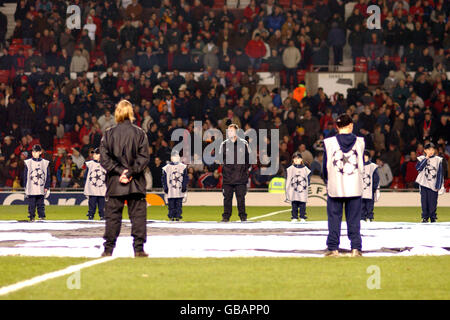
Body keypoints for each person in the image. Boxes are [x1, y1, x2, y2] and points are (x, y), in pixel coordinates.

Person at [100, 100, 150, 257]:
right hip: (135, 183)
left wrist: (120, 171)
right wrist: (130, 173)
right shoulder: (140, 133)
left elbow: (104, 159)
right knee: (138, 218)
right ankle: (139, 249)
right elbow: (144, 158)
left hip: (116, 183)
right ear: (131, 113)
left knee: (113, 218)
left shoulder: (108, 133)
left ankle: (108, 249)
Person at [322, 114, 365, 257]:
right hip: (354, 185)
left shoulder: (329, 143)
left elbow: (324, 167)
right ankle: (356, 248)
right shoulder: (360, 142)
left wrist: (328, 180)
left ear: (336, 126)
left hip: (336, 185)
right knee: (354, 220)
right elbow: (362, 164)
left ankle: (333, 248)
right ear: (351, 125)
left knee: (334, 219)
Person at [218, 124, 251, 222]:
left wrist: (243, 169)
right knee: (227, 198)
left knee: (241, 199)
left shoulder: (244, 143)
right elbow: (220, 159)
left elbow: (248, 160)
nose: (229, 132)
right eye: (228, 131)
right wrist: (225, 170)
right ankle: (226, 217)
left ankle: (243, 216)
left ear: (236, 132)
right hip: (227, 178)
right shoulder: (224, 144)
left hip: (240, 177)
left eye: (231, 131)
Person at [415, 143, 445, 223]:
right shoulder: (421, 158)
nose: (431, 151)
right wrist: (426, 158)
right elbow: (418, 168)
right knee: (424, 201)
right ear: (425, 150)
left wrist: (439, 185)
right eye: (429, 150)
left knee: (433, 202)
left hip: (433, 184)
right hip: (424, 184)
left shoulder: (438, 160)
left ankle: (433, 217)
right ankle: (425, 217)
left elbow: (440, 173)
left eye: (432, 149)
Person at [23, 145, 50, 222]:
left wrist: (47, 186)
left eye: (36, 152)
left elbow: (48, 175)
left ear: (40, 152)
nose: (34, 153)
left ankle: (41, 217)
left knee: (41, 204)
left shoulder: (45, 163)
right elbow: (25, 175)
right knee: (31, 204)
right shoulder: (28, 162)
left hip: (41, 187)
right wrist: (25, 186)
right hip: (31, 187)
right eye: (33, 152)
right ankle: (32, 216)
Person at [162, 152, 188, 221]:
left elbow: (185, 177)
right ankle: (171, 215)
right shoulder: (167, 167)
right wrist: (165, 187)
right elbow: (164, 178)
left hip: (179, 189)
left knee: (178, 203)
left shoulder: (183, 167)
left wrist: (184, 186)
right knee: (171, 203)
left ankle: (178, 215)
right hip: (170, 189)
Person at [285, 154, 311, 222]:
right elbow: (288, 178)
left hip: (302, 189)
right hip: (293, 189)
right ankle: (294, 217)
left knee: (302, 202)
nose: (296, 160)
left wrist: (307, 184)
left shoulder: (305, 169)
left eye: (298, 158)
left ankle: (302, 216)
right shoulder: (290, 169)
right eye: (295, 158)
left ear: (301, 159)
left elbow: (308, 177)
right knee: (294, 203)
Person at [84, 148, 107, 220]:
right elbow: (86, 176)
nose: (94, 155)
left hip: (102, 189)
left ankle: (102, 215)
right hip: (92, 189)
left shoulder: (106, 163)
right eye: (94, 153)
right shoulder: (90, 164)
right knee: (92, 204)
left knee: (102, 205)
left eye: (96, 154)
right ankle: (91, 215)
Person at [361, 151, 380, 222]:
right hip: (360, 190)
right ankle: (362, 217)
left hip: (370, 189)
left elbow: (376, 178)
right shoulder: (358, 165)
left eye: (366, 156)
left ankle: (369, 216)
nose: (365, 158)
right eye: (364, 156)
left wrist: (374, 187)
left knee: (369, 205)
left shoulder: (373, 166)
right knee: (361, 205)